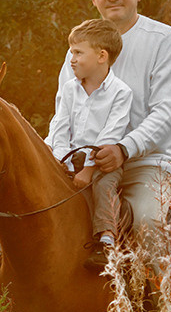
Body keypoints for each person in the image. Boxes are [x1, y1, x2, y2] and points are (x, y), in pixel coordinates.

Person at [0, 0, 171, 284]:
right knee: (26, 194)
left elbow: (167, 113)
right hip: (84, 160)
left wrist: (123, 149)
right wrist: (52, 156)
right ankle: (4, 259)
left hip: (147, 164)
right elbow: (64, 115)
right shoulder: (78, 50)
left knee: (147, 219)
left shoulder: (165, 41)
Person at [45, 18, 132, 270]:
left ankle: (106, 240)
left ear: (102, 56)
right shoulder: (69, 89)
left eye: (78, 53)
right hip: (69, 156)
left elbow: (110, 135)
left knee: (104, 186)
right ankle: (4, 247)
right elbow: (60, 126)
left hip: (101, 162)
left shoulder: (121, 93)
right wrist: (60, 161)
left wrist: (87, 170)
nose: (71, 59)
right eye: (71, 52)